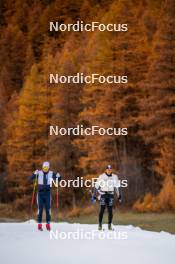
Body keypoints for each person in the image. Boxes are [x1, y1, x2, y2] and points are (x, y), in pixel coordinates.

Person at [29, 161, 61, 231]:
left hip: (47, 194)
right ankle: (39, 224)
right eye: (44, 167)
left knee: (48, 209)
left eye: (46, 168)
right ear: (42, 167)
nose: (45, 169)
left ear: (48, 168)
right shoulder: (39, 173)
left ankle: (48, 224)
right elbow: (30, 179)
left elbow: (59, 180)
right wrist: (34, 174)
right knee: (40, 209)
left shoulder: (51, 173)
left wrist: (59, 176)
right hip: (40, 194)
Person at [92, 165, 122, 230]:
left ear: (111, 170)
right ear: (106, 170)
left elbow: (117, 187)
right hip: (103, 194)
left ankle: (109, 225)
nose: (109, 170)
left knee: (110, 210)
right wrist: (94, 196)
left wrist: (119, 196)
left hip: (110, 194)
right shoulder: (101, 176)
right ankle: (100, 225)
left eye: (110, 169)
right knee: (102, 209)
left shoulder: (115, 177)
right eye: (108, 169)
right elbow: (96, 186)